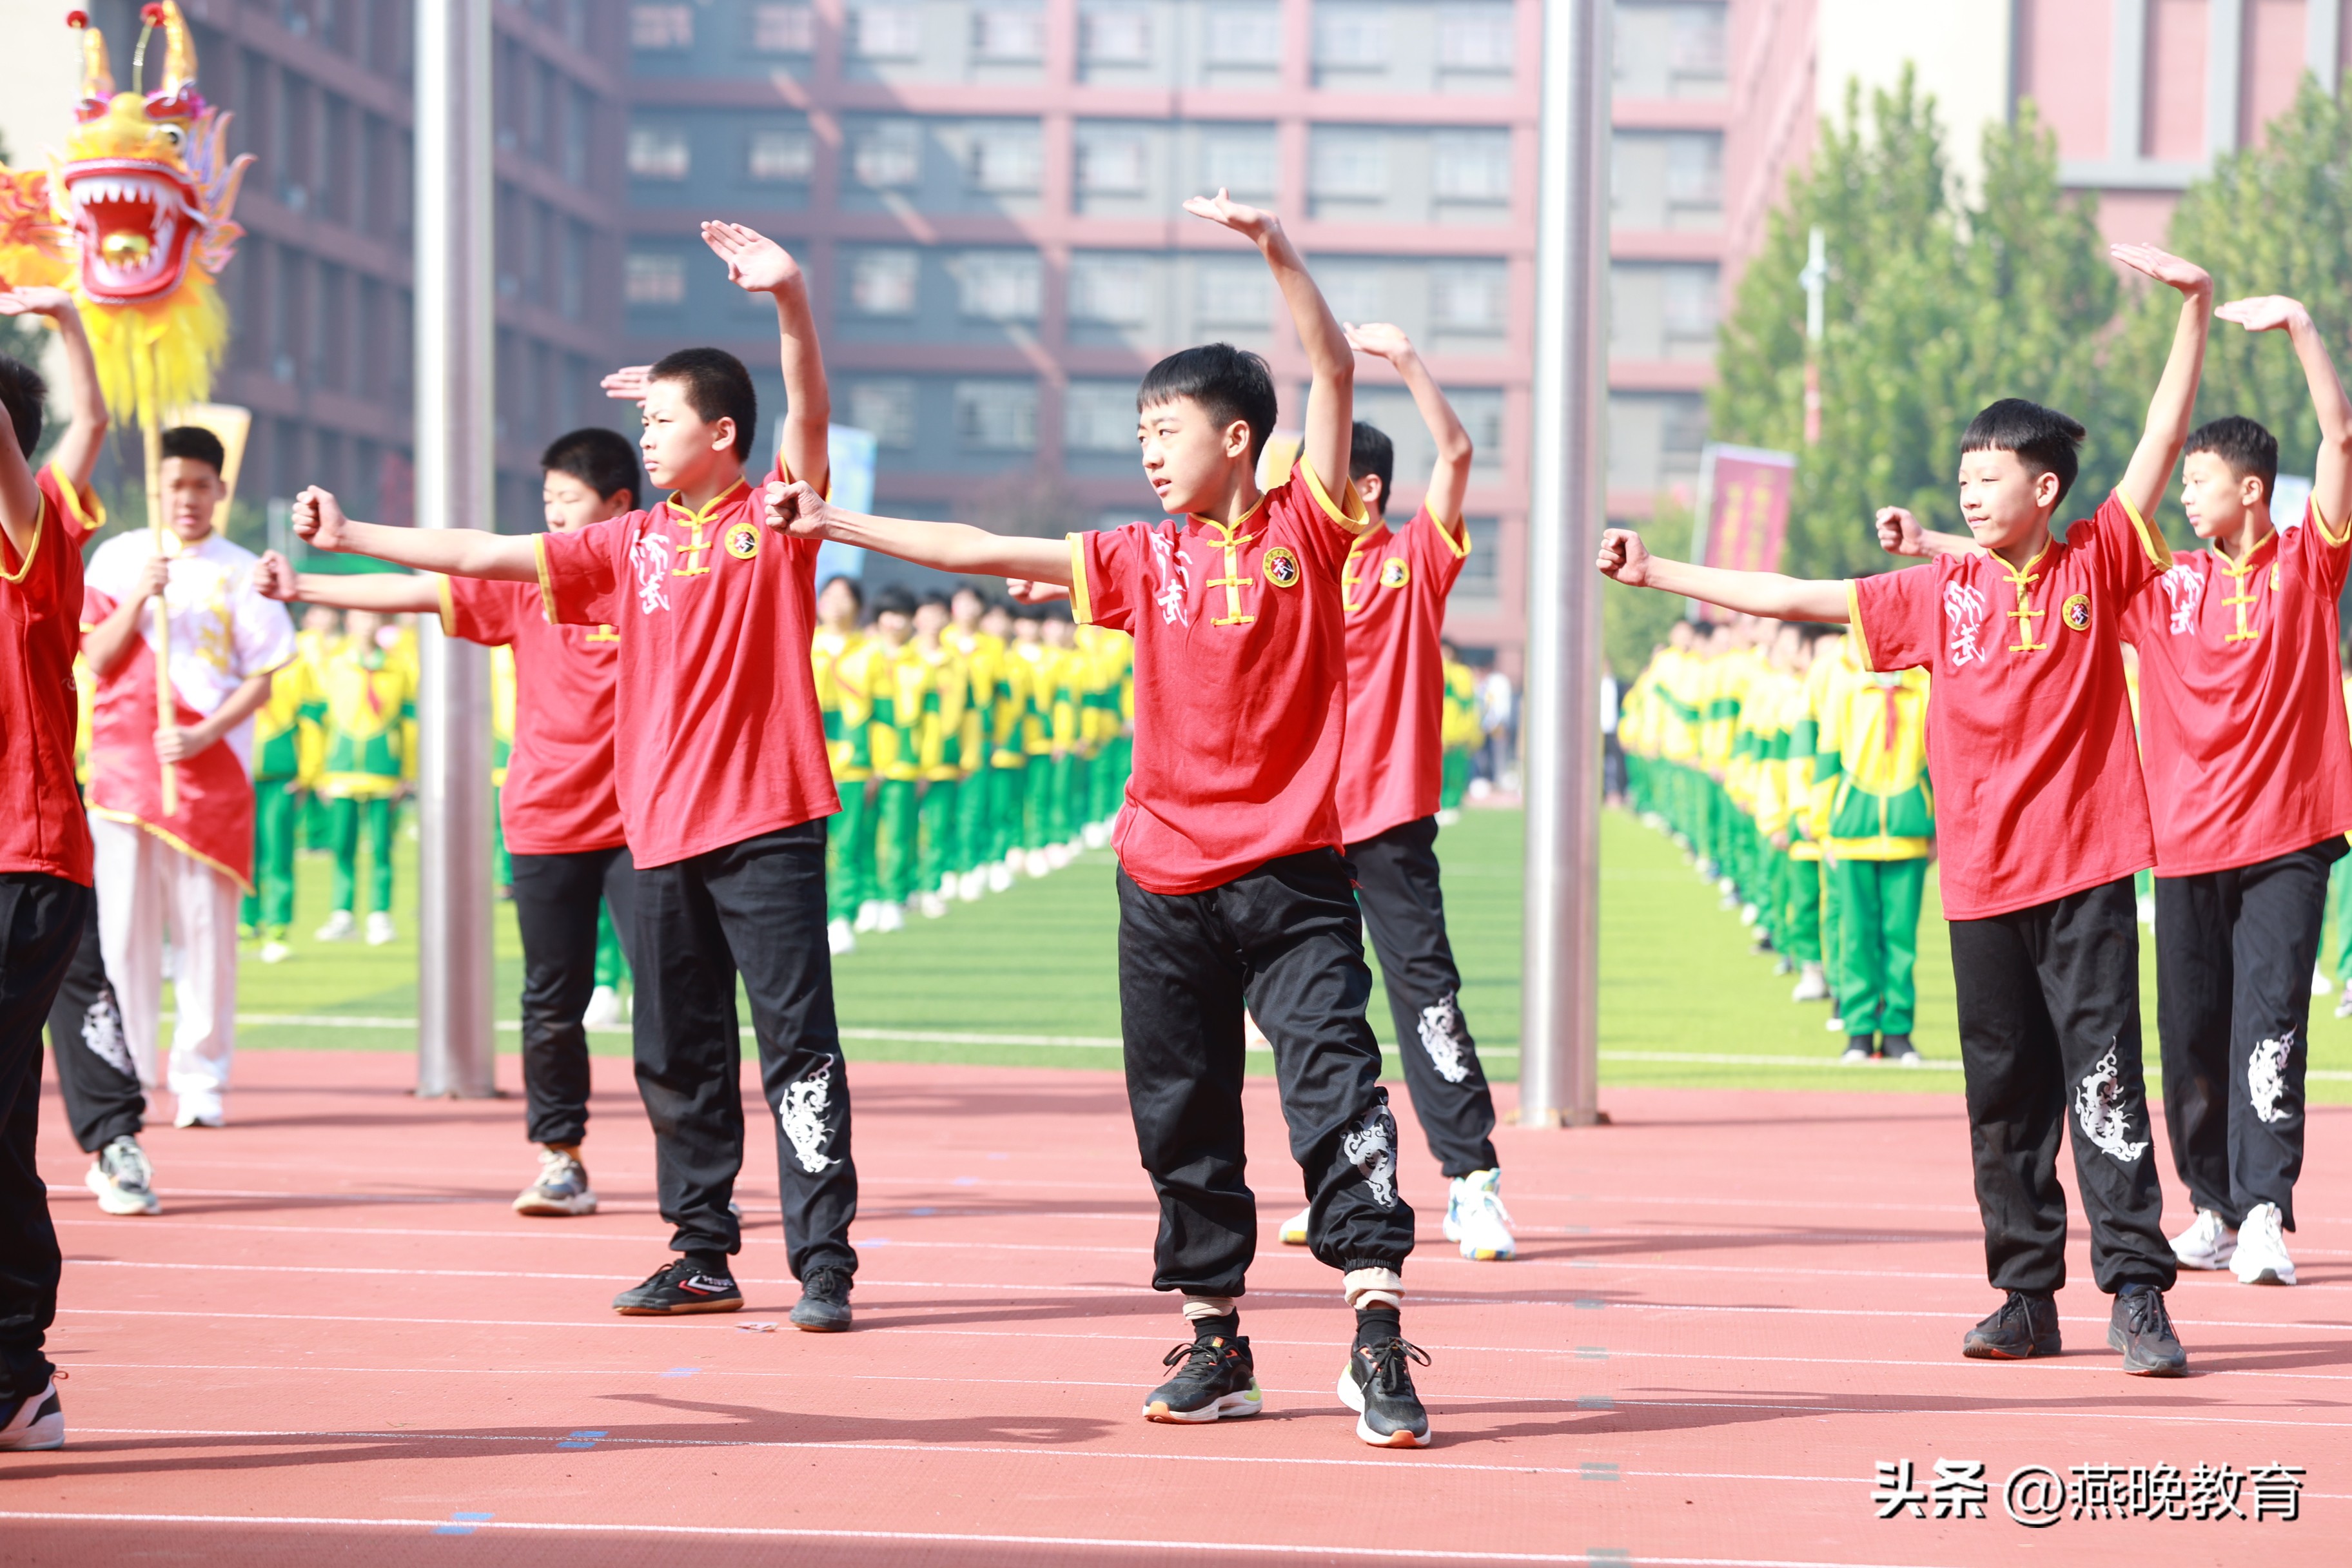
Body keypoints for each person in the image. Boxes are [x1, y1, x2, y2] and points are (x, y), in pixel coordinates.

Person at [762, 191, 1430, 1446]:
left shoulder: (1311, 528)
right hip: (1163, 882)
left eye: (1166, 429)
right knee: (1180, 1111)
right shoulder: (1138, 556)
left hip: (1293, 882)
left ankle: (1378, 1335)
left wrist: (1275, 250)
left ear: (1241, 439)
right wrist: (833, 518)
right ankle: (1218, 1341)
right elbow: (979, 548)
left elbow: (1330, 367)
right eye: (1140, 433)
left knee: (1337, 1091)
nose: (1148, 450)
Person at [1602, 241, 2215, 1378]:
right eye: (1963, 476)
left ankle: (2136, 1291)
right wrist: (1659, 573)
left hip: (2082, 875)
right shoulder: (1941, 593)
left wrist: (2194, 309)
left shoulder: (2096, 561)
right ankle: (2021, 1295)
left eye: (1990, 476)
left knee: (2102, 1082)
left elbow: (2160, 441)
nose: (1969, 490)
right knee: (2003, 1095)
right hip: (1978, 881)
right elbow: (1796, 593)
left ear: (2044, 490)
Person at [292, 221, 860, 1331]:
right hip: (658, 834)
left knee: (797, 1046)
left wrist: (788, 298)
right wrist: (355, 534)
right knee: (675, 1047)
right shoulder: (628, 545)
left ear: (724, 433)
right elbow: (485, 555)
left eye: (660, 420)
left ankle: (824, 1260)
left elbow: (808, 403)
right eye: (643, 422)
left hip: (771, 825)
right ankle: (701, 1250)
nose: (643, 439)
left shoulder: (775, 523)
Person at [1900, 295, 2352, 1289]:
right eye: (2180, 482)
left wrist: (2304, 331)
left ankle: (2269, 1207)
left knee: (2270, 1022)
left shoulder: (2308, 566)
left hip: (2288, 837)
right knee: (2188, 1036)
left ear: (2253, 490)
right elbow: (2045, 576)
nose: (2185, 498)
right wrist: (1941, 544)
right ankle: (2218, 1209)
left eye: (2201, 483)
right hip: (2183, 841)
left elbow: (2342, 433)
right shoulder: (2162, 587)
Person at [261, 426, 646, 1217]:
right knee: (551, 998)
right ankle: (560, 1155)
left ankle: (696, 1173)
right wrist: (304, 587)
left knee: (678, 997)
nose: (553, 518)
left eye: (566, 502)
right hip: (545, 817)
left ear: (619, 506)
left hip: (648, 819)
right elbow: (423, 585)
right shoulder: (526, 582)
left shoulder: (654, 579)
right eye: (546, 502)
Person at [1276, 320, 1511, 1265]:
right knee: (1315, 1012)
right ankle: (1339, 1180)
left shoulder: (1415, 562)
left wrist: (1407, 359)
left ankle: (1473, 1184)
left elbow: (1456, 451)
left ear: (1364, 487)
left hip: (1390, 822)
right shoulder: (1294, 569)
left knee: (1426, 997)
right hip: (1301, 824)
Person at [80, 424, 296, 1129]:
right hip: (124, 769)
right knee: (123, 931)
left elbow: (264, 676)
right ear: (156, 488)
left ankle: (201, 1075)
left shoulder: (242, 569)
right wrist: (143, 593)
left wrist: (203, 732)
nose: (188, 498)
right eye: (175, 485)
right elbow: (97, 657)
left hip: (209, 774)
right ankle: (128, 1071)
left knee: (206, 932)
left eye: (202, 485)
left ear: (220, 490)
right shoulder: (118, 559)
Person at [0, 283, 108, 1451]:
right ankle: (18, 1372)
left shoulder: (33, 538)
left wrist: (62, 327)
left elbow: (77, 427)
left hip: (24, 866)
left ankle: (18, 1367)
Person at [1814, 651, 1932, 1063]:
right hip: (1852, 832)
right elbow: (1827, 757)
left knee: (1901, 939)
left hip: (1910, 831)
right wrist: (1822, 827)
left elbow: (1939, 759)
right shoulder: (1847, 686)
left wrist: (1938, 826)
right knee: (1856, 937)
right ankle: (1860, 1029)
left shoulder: (1924, 687)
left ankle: (1898, 1030)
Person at [311, 608, 414, 946]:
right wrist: (317, 772)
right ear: (349, 623)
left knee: (383, 848)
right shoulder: (335, 664)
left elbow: (409, 724)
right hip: (340, 769)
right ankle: (342, 914)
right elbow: (320, 720)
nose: (367, 624)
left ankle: (380, 915)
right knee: (342, 847)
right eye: (360, 617)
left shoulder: (398, 667)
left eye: (373, 617)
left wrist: (408, 773)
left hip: (384, 769)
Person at [240, 639, 322, 963]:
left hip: (281, 772)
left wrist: (308, 772)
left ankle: (278, 926)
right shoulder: (234, 653)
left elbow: (312, 720)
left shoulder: (297, 663)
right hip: (242, 770)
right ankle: (246, 924)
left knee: (278, 853)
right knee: (244, 853)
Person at [811, 574, 874, 952]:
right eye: (829, 595)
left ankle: (843, 916)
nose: (835, 602)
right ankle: (813, 918)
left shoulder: (870, 651)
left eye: (844, 596)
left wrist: (877, 763)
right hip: (807, 767)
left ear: (858, 605)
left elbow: (882, 713)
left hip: (853, 766)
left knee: (847, 846)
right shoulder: (803, 641)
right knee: (808, 850)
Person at [910, 592, 969, 917]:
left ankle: (930, 887)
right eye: (925, 613)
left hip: (945, 760)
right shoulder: (901, 659)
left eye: (937, 614)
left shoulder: (957, 663)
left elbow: (969, 713)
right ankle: (899, 890)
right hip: (905, 761)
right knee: (901, 831)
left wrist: (968, 756)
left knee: (937, 830)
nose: (931, 621)